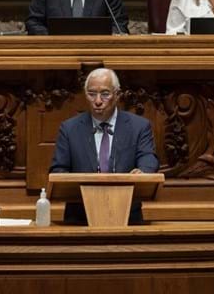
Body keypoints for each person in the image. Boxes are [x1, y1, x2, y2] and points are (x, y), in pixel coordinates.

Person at [49, 68, 159, 224]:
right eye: (92, 94)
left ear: (117, 95)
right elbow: (58, 170)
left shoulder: (139, 127)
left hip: (127, 217)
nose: (98, 101)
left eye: (105, 94)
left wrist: (143, 171)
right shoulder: (69, 129)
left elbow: (148, 158)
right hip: (80, 219)